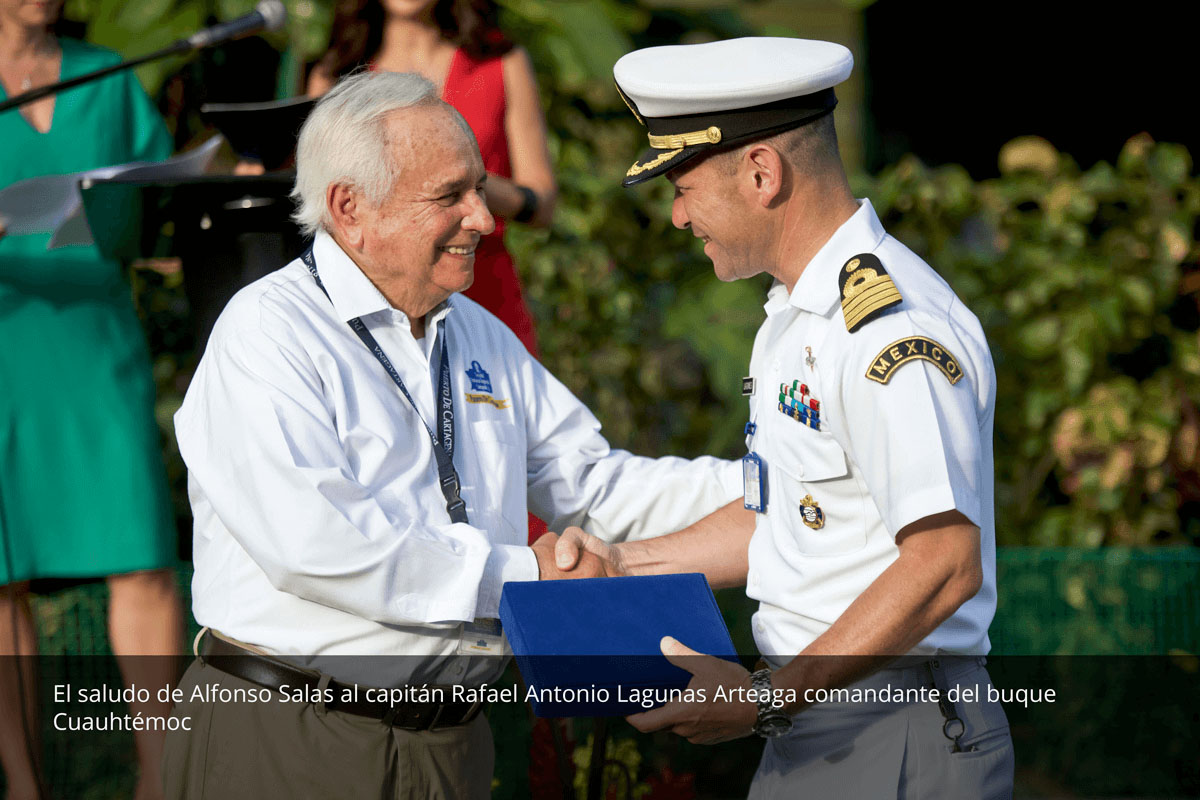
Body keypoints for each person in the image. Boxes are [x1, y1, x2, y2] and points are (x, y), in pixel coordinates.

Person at [161, 70, 739, 800]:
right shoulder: (267, 334)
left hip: (451, 749)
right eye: (450, 196)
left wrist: (769, 480)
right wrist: (524, 578)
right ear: (351, 210)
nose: (485, 219)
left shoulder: (477, 334)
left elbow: (594, 483)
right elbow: (320, 546)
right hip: (289, 739)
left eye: (481, 187)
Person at [555, 37, 1015, 798]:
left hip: (889, 732)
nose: (677, 216)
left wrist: (764, 698)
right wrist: (619, 566)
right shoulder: (800, 317)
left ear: (762, 173)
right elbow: (790, 518)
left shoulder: (887, 330)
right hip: (825, 725)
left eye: (684, 185)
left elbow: (944, 563)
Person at [0, 2, 184, 799]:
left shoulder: (103, 77)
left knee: (142, 558)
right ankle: (22, 785)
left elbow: (164, 209)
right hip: (6, 352)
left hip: (97, 346)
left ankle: (164, 778)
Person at [307, 0, 554, 358]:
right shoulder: (337, 75)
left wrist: (465, 185)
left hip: (483, 285)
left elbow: (543, 202)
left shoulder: (500, 61)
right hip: (382, 300)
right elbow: (323, 202)